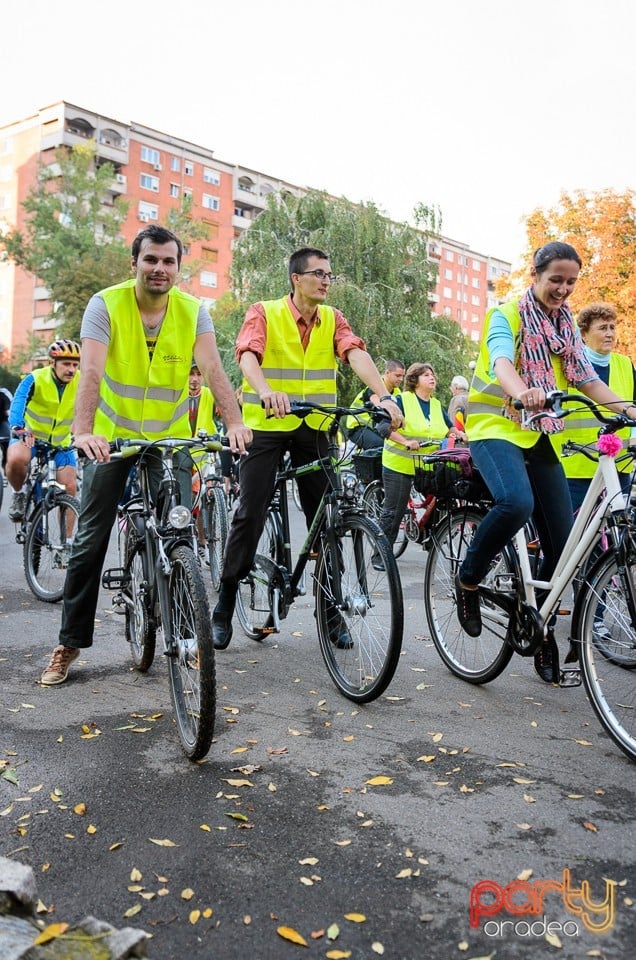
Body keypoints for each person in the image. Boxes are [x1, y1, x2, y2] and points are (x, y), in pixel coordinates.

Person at [39, 225, 251, 686]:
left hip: (169, 438)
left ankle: (186, 632)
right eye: (151, 260)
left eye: (168, 262)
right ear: (134, 262)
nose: (159, 269)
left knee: (179, 533)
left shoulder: (195, 311)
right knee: (91, 536)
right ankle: (69, 642)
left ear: (179, 267)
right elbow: (91, 370)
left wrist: (233, 422)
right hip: (111, 439)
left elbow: (214, 368)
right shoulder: (106, 304)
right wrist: (84, 431)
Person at [457, 241, 636, 684]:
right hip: (495, 428)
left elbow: (587, 379)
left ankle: (537, 624)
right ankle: (469, 579)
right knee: (516, 504)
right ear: (535, 275)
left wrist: (630, 410)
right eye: (556, 279)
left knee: (564, 547)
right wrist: (522, 392)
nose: (563, 289)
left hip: (538, 434)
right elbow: (501, 362)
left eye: (571, 282)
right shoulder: (507, 315)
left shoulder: (565, 328)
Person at [211, 246, 403, 651]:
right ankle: (226, 597)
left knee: (328, 515)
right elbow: (247, 356)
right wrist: (265, 391)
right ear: (296, 279)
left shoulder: (333, 319)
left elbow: (354, 353)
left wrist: (384, 396)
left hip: (314, 426)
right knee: (251, 510)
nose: (326, 280)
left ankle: (330, 609)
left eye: (330, 275)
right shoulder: (264, 311)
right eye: (318, 273)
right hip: (267, 423)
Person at [374, 362, 464, 567]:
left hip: (425, 466)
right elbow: (383, 427)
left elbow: (449, 428)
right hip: (399, 464)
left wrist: (460, 435)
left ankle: (429, 540)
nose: (431, 378)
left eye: (432, 374)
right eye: (425, 375)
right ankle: (381, 555)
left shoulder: (436, 405)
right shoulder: (401, 401)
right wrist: (405, 442)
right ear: (415, 380)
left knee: (441, 499)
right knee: (394, 511)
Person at [555, 302, 636, 513]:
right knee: (578, 536)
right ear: (583, 334)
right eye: (602, 328)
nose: (610, 333)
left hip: (618, 465)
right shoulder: (568, 365)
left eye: (612, 327)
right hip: (577, 467)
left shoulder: (625, 364)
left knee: (619, 530)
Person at [6, 340, 81, 522]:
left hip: (60, 443)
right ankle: (19, 493)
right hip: (29, 437)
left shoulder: (82, 381)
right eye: (66, 364)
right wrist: (18, 428)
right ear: (52, 363)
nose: (71, 369)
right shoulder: (35, 378)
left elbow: (95, 408)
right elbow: (18, 403)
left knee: (70, 488)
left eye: (75, 364)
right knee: (16, 458)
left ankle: (67, 545)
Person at [188, 359, 216, 559]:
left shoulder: (208, 394)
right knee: (187, 500)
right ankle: (190, 539)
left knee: (203, 497)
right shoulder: (177, 393)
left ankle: (203, 541)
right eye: (191, 374)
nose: (195, 379)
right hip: (180, 453)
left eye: (199, 374)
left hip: (203, 454)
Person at [345, 358, 405, 450]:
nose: (401, 379)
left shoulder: (397, 392)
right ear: (387, 373)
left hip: (374, 428)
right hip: (357, 427)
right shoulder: (375, 387)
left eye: (402, 376)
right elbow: (379, 407)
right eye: (398, 376)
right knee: (380, 446)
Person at [0, 385, 12, 471]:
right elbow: (8, 412)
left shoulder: (3, 392)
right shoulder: (4, 393)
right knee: (6, 448)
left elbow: (8, 411)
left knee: (6, 446)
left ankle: (6, 469)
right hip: (3, 423)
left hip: (2, 422)